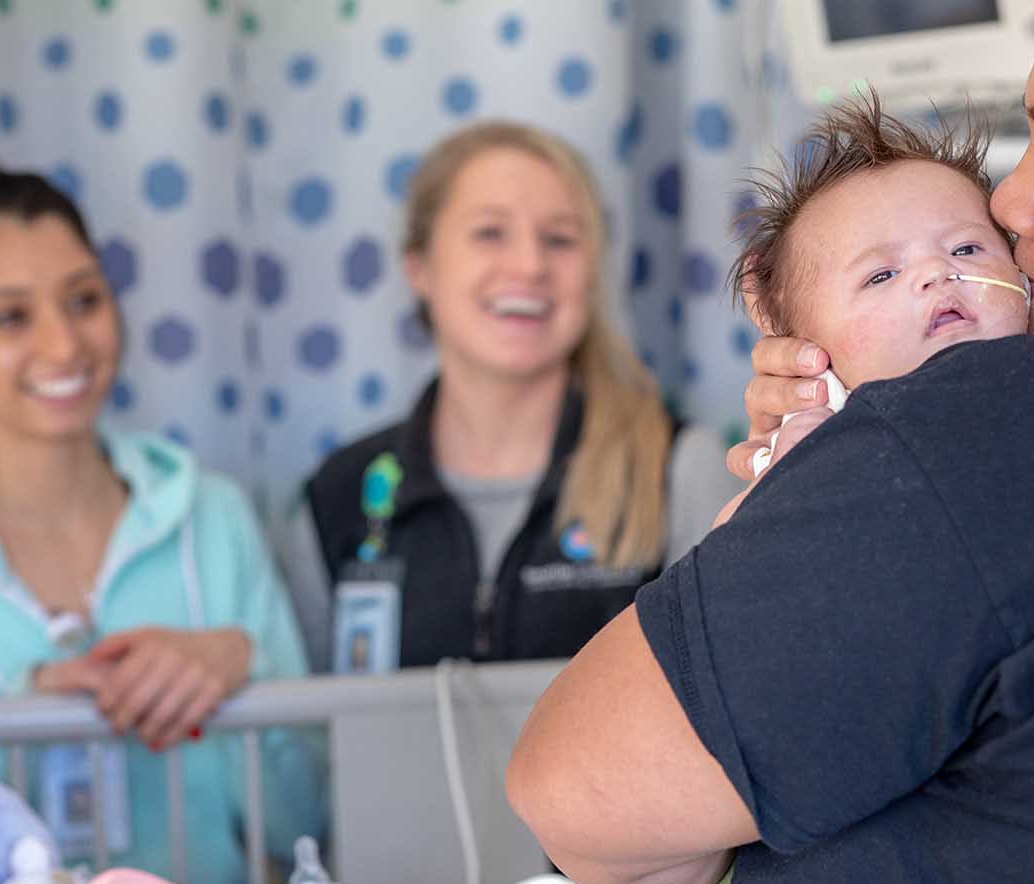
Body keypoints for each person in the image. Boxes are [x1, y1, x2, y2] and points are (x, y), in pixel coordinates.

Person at [506, 0, 1034, 884]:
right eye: (879, 274)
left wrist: (882, 459)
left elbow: (575, 792)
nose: (1012, 202)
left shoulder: (981, 432)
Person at [0, 157, 323, 884]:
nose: (65, 346)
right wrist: (22, 714)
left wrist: (238, 670)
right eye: (10, 317)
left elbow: (311, 820)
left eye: (84, 299)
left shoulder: (213, 521)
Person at [281, 120, 734, 672]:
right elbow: (305, 744)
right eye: (490, 233)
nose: (529, 266)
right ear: (420, 268)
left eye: (560, 239)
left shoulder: (681, 469)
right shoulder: (337, 499)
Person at [713, 91, 1031, 522]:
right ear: (806, 354)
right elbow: (736, 560)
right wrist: (783, 485)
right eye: (881, 275)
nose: (936, 271)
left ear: (1021, 276)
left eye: (966, 248)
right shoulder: (818, 446)